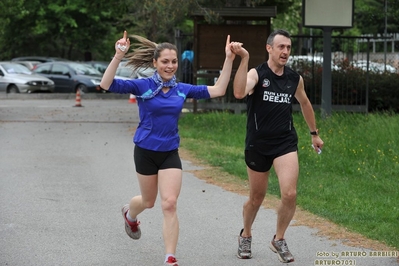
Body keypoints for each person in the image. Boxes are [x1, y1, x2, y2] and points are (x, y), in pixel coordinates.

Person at [100, 31, 237, 266]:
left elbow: (218, 90)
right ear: (155, 63)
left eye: (174, 61)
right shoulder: (143, 86)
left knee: (169, 203)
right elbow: (107, 84)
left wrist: (229, 58)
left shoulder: (181, 89)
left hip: (169, 153)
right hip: (145, 151)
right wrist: (118, 56)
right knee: (148, 201)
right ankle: (130, 215)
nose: (170, 66)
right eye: (165, 61)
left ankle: (170, 258)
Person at [230, 29, 324, 263]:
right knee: (256, 198)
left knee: (290, 194)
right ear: (269, 48)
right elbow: (240, 92)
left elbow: (305, 103)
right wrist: (243, 59)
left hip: (285, 143)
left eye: (289, 48)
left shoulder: (294, 79)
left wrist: (314, 134)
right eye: (281, 47)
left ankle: (278, 239)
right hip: (258, 144)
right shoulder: (256, 74)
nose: (285, 52)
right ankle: (246, 234)